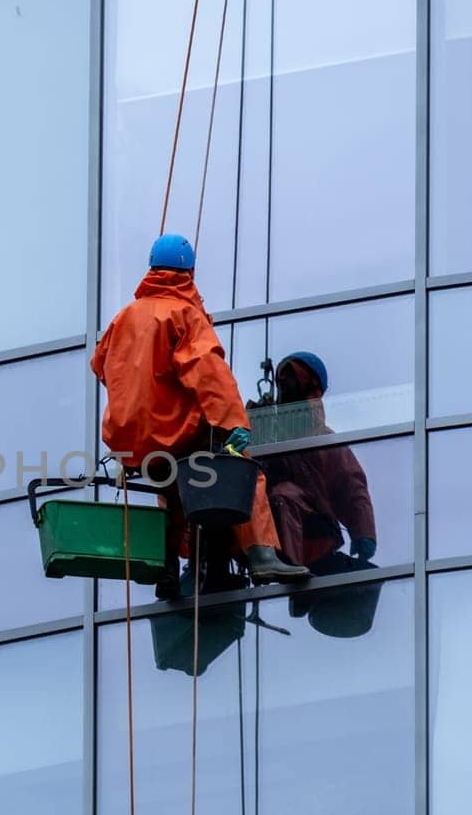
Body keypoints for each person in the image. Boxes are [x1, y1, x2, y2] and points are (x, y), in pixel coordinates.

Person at [92, 234, 308, 598]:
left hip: (131, 440)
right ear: (189, 271)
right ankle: (262, 554)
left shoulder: (122, 318)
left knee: (175, 492)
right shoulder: (184, 314)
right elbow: (207, 371)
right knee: (244, 473)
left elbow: (101, 366)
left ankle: (165, 571)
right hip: (174, 429)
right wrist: (234, 424)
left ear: (152, 269)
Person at [257, 351, 377, 572]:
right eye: (281, 379)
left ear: (309, 383)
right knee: (283, 495)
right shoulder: (267, 425)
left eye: (292, 376)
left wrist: (363, 532)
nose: (283, 383)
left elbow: (351, 485)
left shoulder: (321, 438)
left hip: (313, 530)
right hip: (271, 528)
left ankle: (294, 570)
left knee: (285, 495)